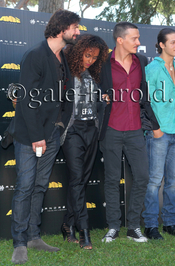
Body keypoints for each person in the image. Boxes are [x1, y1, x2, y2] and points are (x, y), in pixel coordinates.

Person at [10, 9, 80, 264]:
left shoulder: (63, 57)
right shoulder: (35, 55)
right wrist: (37, 136)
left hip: (52, 134)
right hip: (31, 135)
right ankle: (19, 242)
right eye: (74, 27)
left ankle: (33, 236)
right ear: (62, 28)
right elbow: (26, 100)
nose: (77, 32)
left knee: (40, 185)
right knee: (25, 187)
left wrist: (59, 128)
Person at [99, 22, 159, 243]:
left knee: (143, 177)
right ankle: (113, 226)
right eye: (134, 38)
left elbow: (144, 97)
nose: (139, 42)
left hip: (135, 130)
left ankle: (133, 226)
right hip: (111, 129)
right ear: (120, 40)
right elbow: (93, 89)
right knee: (112, 179)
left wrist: (154, 124)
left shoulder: (141, 62)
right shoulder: (103, 62)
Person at [60, 34, 109, 249]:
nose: (90, 60)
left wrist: (103, 100)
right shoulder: (65, 72)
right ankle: (84, 231)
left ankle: (67, 224)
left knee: (81, 180)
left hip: (92, 130)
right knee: (78, 179)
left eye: (95, 57)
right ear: (78, 51)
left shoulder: (94, 75)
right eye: (87, 55)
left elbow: (96, 103)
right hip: (72, 131)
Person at [142, 28, 175, 240]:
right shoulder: (152, 68)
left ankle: (170, 223)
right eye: (173, 42)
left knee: (174, 181)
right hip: (159, 133)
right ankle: (151, 226)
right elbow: (145, 101)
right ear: (161, 45)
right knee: (154, 181)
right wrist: (155, 129)